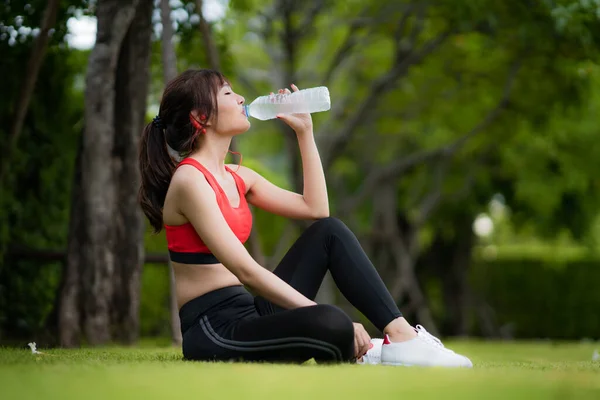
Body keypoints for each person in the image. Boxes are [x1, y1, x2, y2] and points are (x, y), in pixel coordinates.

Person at [138, 69, 472, 367]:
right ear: (201, 117)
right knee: (331, 321)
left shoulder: (238, 176)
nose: (241, 98)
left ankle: (401, 338)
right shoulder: (190, 181)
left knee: (330, 232)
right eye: (227, 93)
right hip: (214, 328)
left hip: (251, 309)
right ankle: (362, 348)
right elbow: (247, 271)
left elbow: (317, 210)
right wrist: (313, 311)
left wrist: (305, 132)